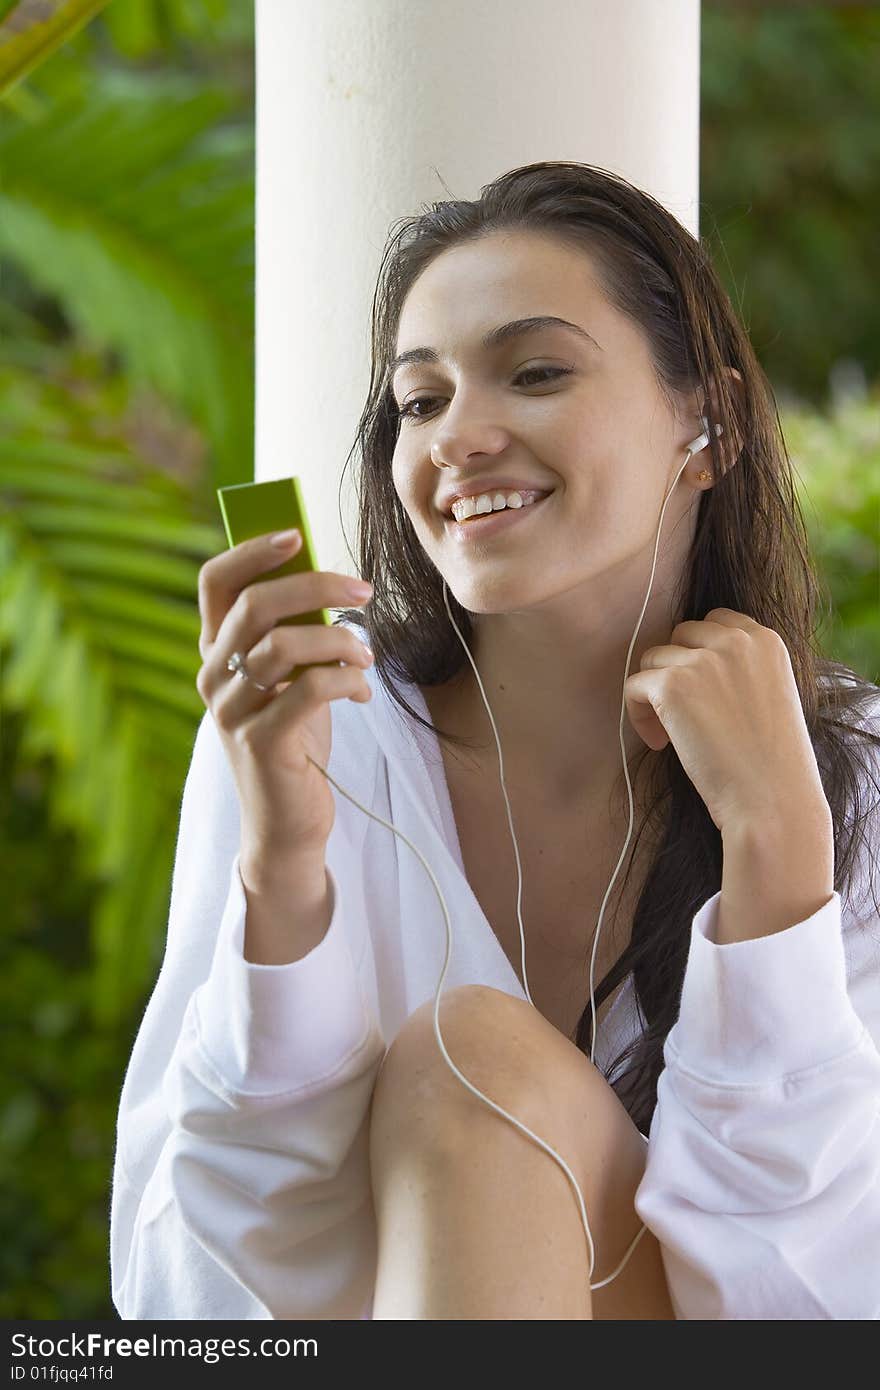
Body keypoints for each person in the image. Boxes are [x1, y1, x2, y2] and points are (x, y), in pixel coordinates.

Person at [110, 161, 880, 1320]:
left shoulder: (849, 769)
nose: (457, 438)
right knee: (473, 1065)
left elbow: (817, 1298)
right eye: (419, 401)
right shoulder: (316, 738)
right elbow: (198, 1295)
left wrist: (774, 849)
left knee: (476, 1059)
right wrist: (282, 871)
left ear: (707, 422)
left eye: (533, 372)